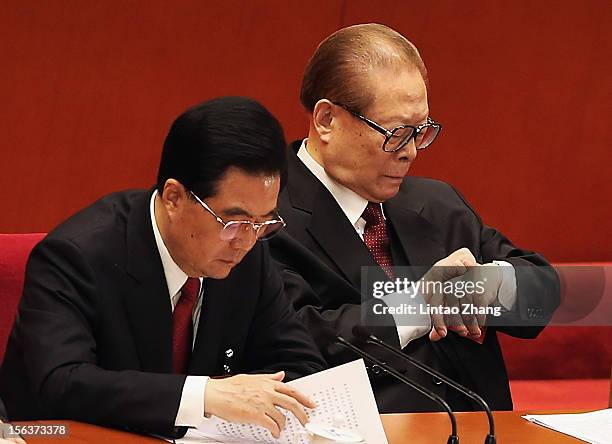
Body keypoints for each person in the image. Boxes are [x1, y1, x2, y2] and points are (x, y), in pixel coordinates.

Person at [269, 24, 560, 412]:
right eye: (395, 134)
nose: (411, 153)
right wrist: (419, 303)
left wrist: (481, 288)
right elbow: (303, 341)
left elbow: (543, 287)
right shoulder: (265, 218)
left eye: (420, 132)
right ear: (326, 120)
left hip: (484, 429)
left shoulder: (437, 202)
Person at [0, 97, 326, 438]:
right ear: (173, 197)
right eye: (234, 222)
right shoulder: (77, 256)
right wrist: (204, 395)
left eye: (263, 222)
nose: (246, 241)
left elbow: (301, 366)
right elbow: (61, 383)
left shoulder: (248, 253)